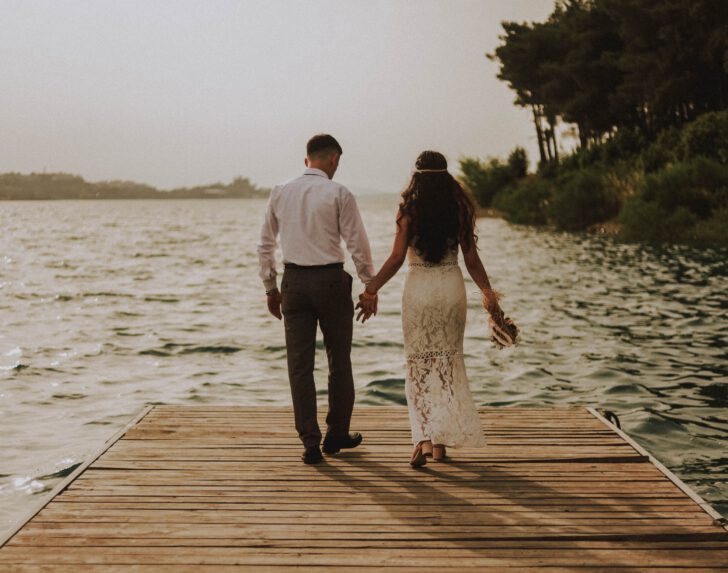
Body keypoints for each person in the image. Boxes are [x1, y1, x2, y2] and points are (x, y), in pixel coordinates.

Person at [356, 150, 502, 467]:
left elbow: (396, 259)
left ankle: (422, 439)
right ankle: (439, 443)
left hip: (419, 289)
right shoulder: (459, 209)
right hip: (451, 288)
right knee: (446, 366)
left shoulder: (408, 210)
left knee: (418, 366)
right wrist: (488, 294)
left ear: (417, 176)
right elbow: (472, 261)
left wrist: (371, 289)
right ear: (447, 176)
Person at [257, 134, 375, 464]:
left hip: (293, 281)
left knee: (299, 365)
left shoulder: (280, 191)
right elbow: (357, 244)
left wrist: (270, 287)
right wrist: (369, 287)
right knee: (339, 360)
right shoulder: (339, 192)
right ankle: (336, 434)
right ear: (334, 159)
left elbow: (264, 245)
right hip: (330, 281)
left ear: (306, 159)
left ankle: (309, 441)